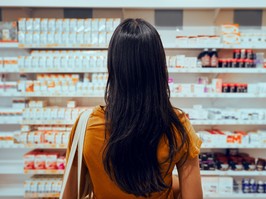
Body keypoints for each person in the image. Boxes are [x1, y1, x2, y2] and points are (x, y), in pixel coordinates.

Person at [66, 18, 203, 199]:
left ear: (113, 67)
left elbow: (69, 193)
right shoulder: (176, 125)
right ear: (160, 68)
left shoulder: (86, 125)